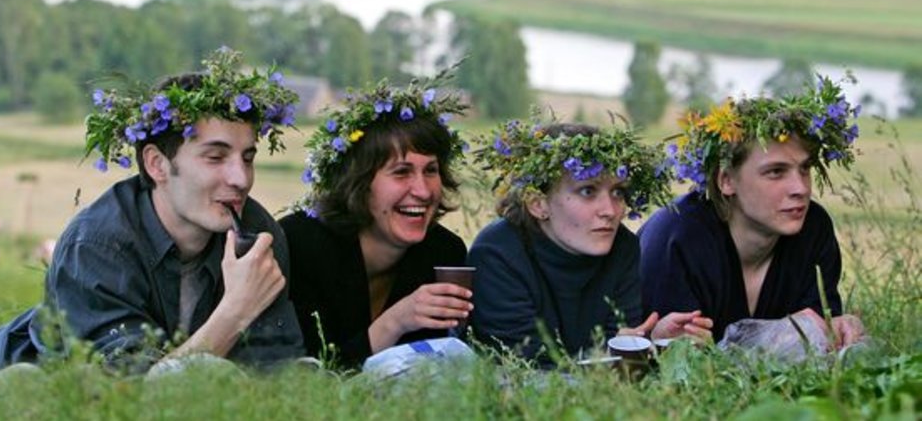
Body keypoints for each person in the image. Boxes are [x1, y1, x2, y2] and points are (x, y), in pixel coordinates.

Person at [0, 48, 305, 380]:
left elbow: (271, 376)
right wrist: (236, 311)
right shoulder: (97, 245)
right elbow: (131, 393)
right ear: (157, 164)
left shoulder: (258, 235)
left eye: (247, 157)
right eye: (215, 157)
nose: (241, 179)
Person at [639, 76, 866, 348]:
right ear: (726, 180)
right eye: (775, 172)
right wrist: (785, 334)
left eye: (804, 169)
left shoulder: (813, 229)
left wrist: (840, 328)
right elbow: (671, 363)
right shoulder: (677, 236)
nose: (801, 188)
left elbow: (820, 341)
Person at [468, 118, 712, 365]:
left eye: (617, 192)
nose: (610, 210)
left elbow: (614, 353)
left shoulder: (622, 246)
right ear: (537, 203)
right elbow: (527, 367)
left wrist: (651, 343)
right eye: (588, 191)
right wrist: (611, 356)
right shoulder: (497, 253)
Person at [280, 77, 472, 369]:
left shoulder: (444, 253)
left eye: (431, 170)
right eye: (401, 172)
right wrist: (397, 320)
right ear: (359, 182)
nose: (422, 190)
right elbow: (308, 375)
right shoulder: (302, 245)